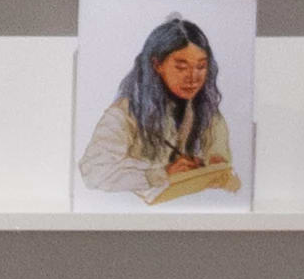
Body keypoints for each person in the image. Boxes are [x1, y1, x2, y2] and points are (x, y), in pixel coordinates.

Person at [79, 16, 241, 207]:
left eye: (201, 66)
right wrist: (162, 173)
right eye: (181, 67)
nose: (193, 77)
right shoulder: (124, 114)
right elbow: (93, 172)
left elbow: (219, 154)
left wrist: (214, 163)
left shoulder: (208, 114)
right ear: (157, 65)